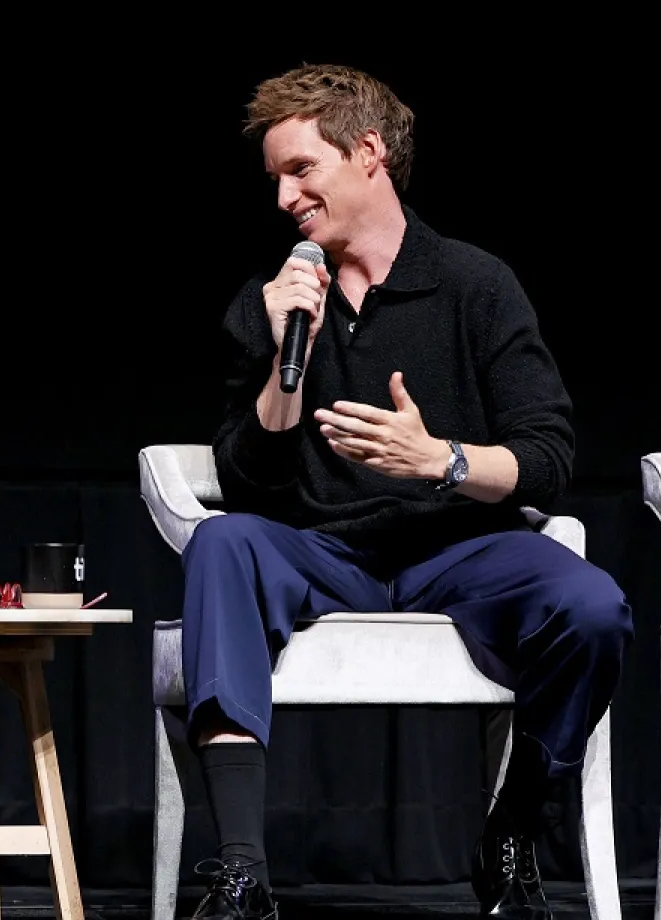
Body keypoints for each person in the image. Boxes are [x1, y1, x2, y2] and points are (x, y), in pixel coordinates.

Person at [179, 64, 632, 920]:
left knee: (593, 606)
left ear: (369, 154)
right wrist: (289, 358)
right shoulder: (275, 300)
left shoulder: (475, 285)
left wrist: (442, 461)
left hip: (459, 550)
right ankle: (242, 874)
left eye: (301, 170)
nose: (283, 198)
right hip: (319, 550)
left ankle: (511, 829)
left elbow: (547, 457)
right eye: (275, 177)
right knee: (221, 542)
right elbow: (245, 478)